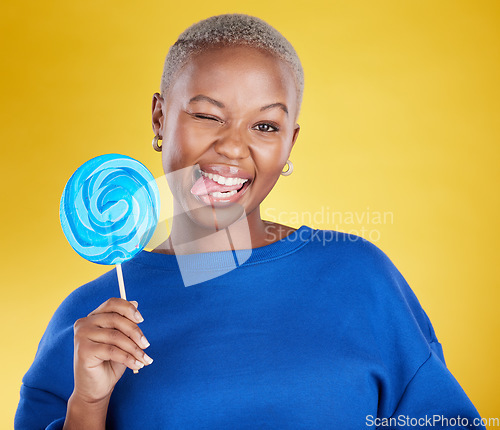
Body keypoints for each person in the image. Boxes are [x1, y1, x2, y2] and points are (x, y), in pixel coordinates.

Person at [15, 13, 485, 429]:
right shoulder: (90, 325)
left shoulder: (360, 278)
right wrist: (88, 406)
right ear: (159, 118)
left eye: (265, 126)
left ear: (290, 144)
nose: (234, 148)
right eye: (207, 115)